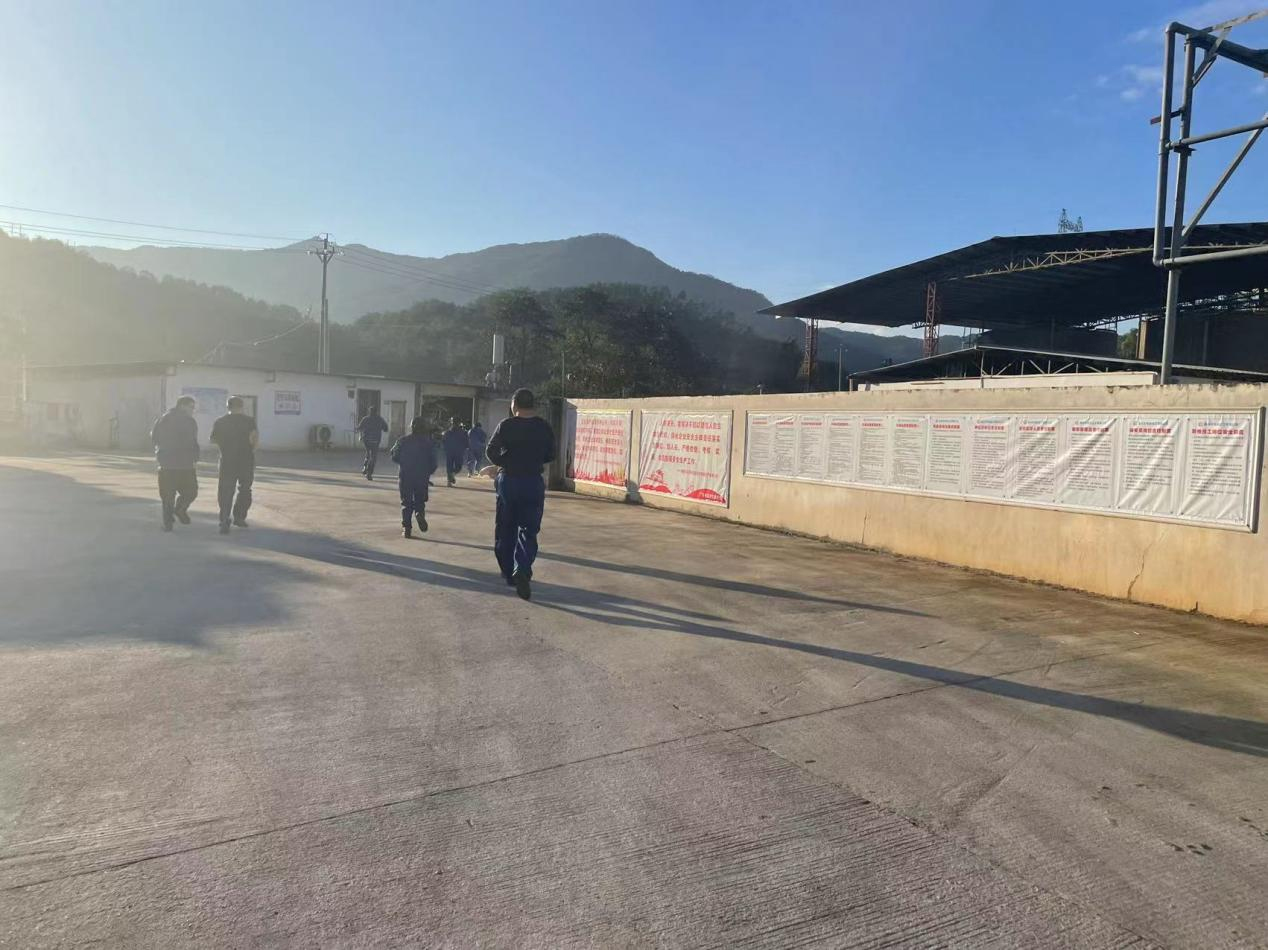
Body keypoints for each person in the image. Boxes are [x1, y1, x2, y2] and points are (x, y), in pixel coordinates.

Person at [486, 388, 554, 601]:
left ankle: (509, 572)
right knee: (529, 529)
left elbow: (491, 451)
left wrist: (506, 462)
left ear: (514, 405)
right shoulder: (543, 427)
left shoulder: (506, 425)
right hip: (533, 481)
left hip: (509, 481)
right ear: (533, 405)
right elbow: (551, 454)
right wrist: (532, 461)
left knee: (506, 527)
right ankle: (522, 568)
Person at [150, 395, 200, 532]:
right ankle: (179, 509)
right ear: (182, 406)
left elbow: (154, 438)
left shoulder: (163, 419)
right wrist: (195, 458)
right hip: (183, 464)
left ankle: (169, 522)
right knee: (191, 492)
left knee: (168, 496)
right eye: (191, 407)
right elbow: (193, 442)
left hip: (169, 464)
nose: (193, 410)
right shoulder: (187, 421)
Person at [210, 396, 258, 535]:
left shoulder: (220, 421)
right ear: (241, 406)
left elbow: (213, 439)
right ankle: (239, 517)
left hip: (227, 461)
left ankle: (224, 519)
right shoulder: (249, 421)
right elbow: (254, 439)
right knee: (245, 489)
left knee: (225, 490)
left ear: (228, 406)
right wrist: (251, 451)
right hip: (245, 460)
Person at [390, 416, 439, 538]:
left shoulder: (402, 440)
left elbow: (394, 455)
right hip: (421, 476)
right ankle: (419, 513)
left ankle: (406, 528)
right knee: (420, 499)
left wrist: (403, 463)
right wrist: (428, 472)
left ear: (411, 427)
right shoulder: (429, 443)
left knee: (406, 502)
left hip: (405, 474)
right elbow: (434, 462)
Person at [356, 406, 389, 481]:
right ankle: (369, 472)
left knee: (368, 453)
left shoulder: (365, 419)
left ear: (369, 412)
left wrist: (360, 433)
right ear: (376, 412)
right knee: (373, 456)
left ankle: (365, 467)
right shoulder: (380, 419)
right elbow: (386, 428)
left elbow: (359, 428)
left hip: (366, 440)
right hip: (375, 440)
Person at [442, 419, 468, 487]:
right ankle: (453, 474)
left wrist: (445, 448)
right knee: (458, 466)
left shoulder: (447, 432)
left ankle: (449, 482)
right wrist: (465, 448)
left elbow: (443, 441)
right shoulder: (463, 432)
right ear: (459, 423)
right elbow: (466, 442)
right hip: (459, 451)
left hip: (449, 451)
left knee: (449, 466)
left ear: (452, 423)